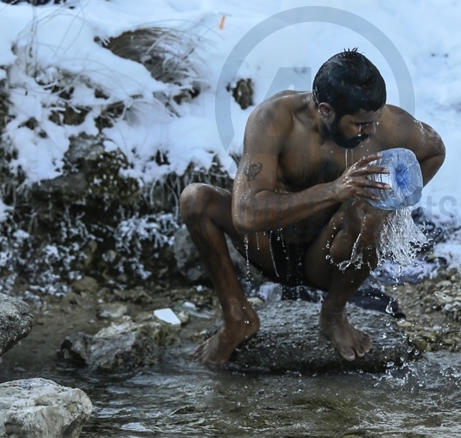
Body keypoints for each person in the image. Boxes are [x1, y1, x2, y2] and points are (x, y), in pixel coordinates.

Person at [180, 49, 445, 365]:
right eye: (361, 124)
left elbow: (434, 151)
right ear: (325, 110)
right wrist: (334, 190)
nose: (371, 130)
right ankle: (238, 318)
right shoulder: (274, 118)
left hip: (330, 259)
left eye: (374, 120)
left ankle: (333, 315)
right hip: (270, 249)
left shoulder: (387, 123)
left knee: (370, 211)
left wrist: (390, 205)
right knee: (195, 198)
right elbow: (245, 213)